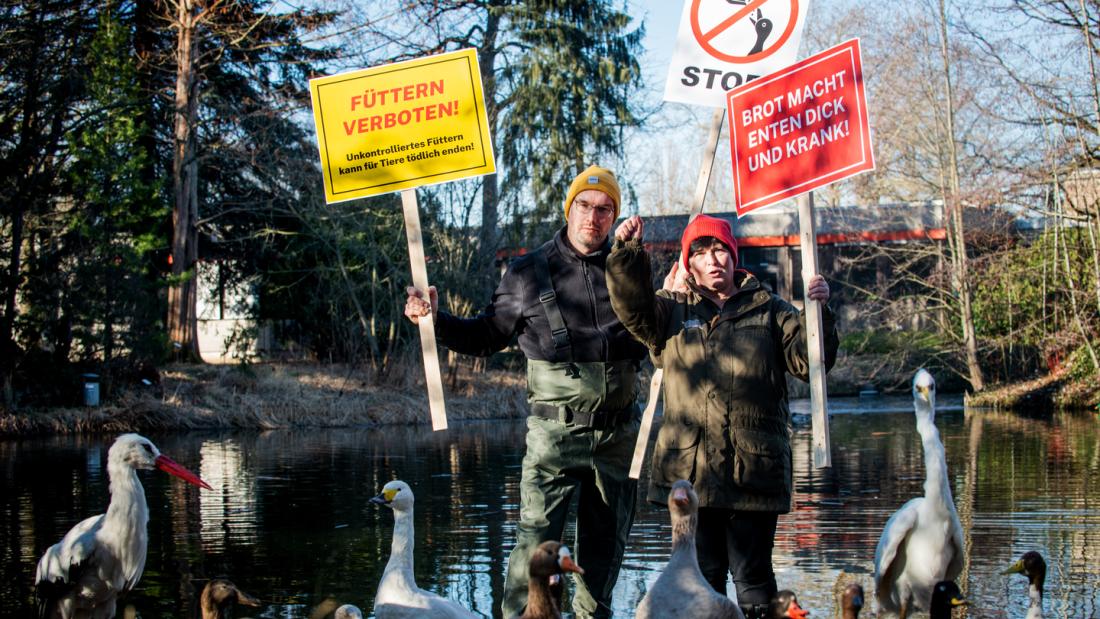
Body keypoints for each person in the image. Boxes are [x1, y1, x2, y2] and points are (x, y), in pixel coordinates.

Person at [404, 165, 647, 619]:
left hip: (617, 440)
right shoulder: (527, 273)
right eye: (584, 206)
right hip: (553, 439)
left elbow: (657, 332)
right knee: (534, 546)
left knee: (604, 551)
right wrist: (435, 321)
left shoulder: (628, 269)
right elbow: (486, 335)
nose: (592, 217)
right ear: (569, 208)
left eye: (604, 209)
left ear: (613, 217)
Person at [604, 213, 839, 619]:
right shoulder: (669, 313)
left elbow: (810, 362)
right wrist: (626, 253)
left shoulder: (772, 311)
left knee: (754, 582)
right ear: (688, 263)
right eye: (701, 252)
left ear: (734, 257)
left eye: (720, 250)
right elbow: (631, 309)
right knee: (702, 580)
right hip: (693, 476)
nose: (713, 260)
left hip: (754, 475)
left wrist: (819, 312)